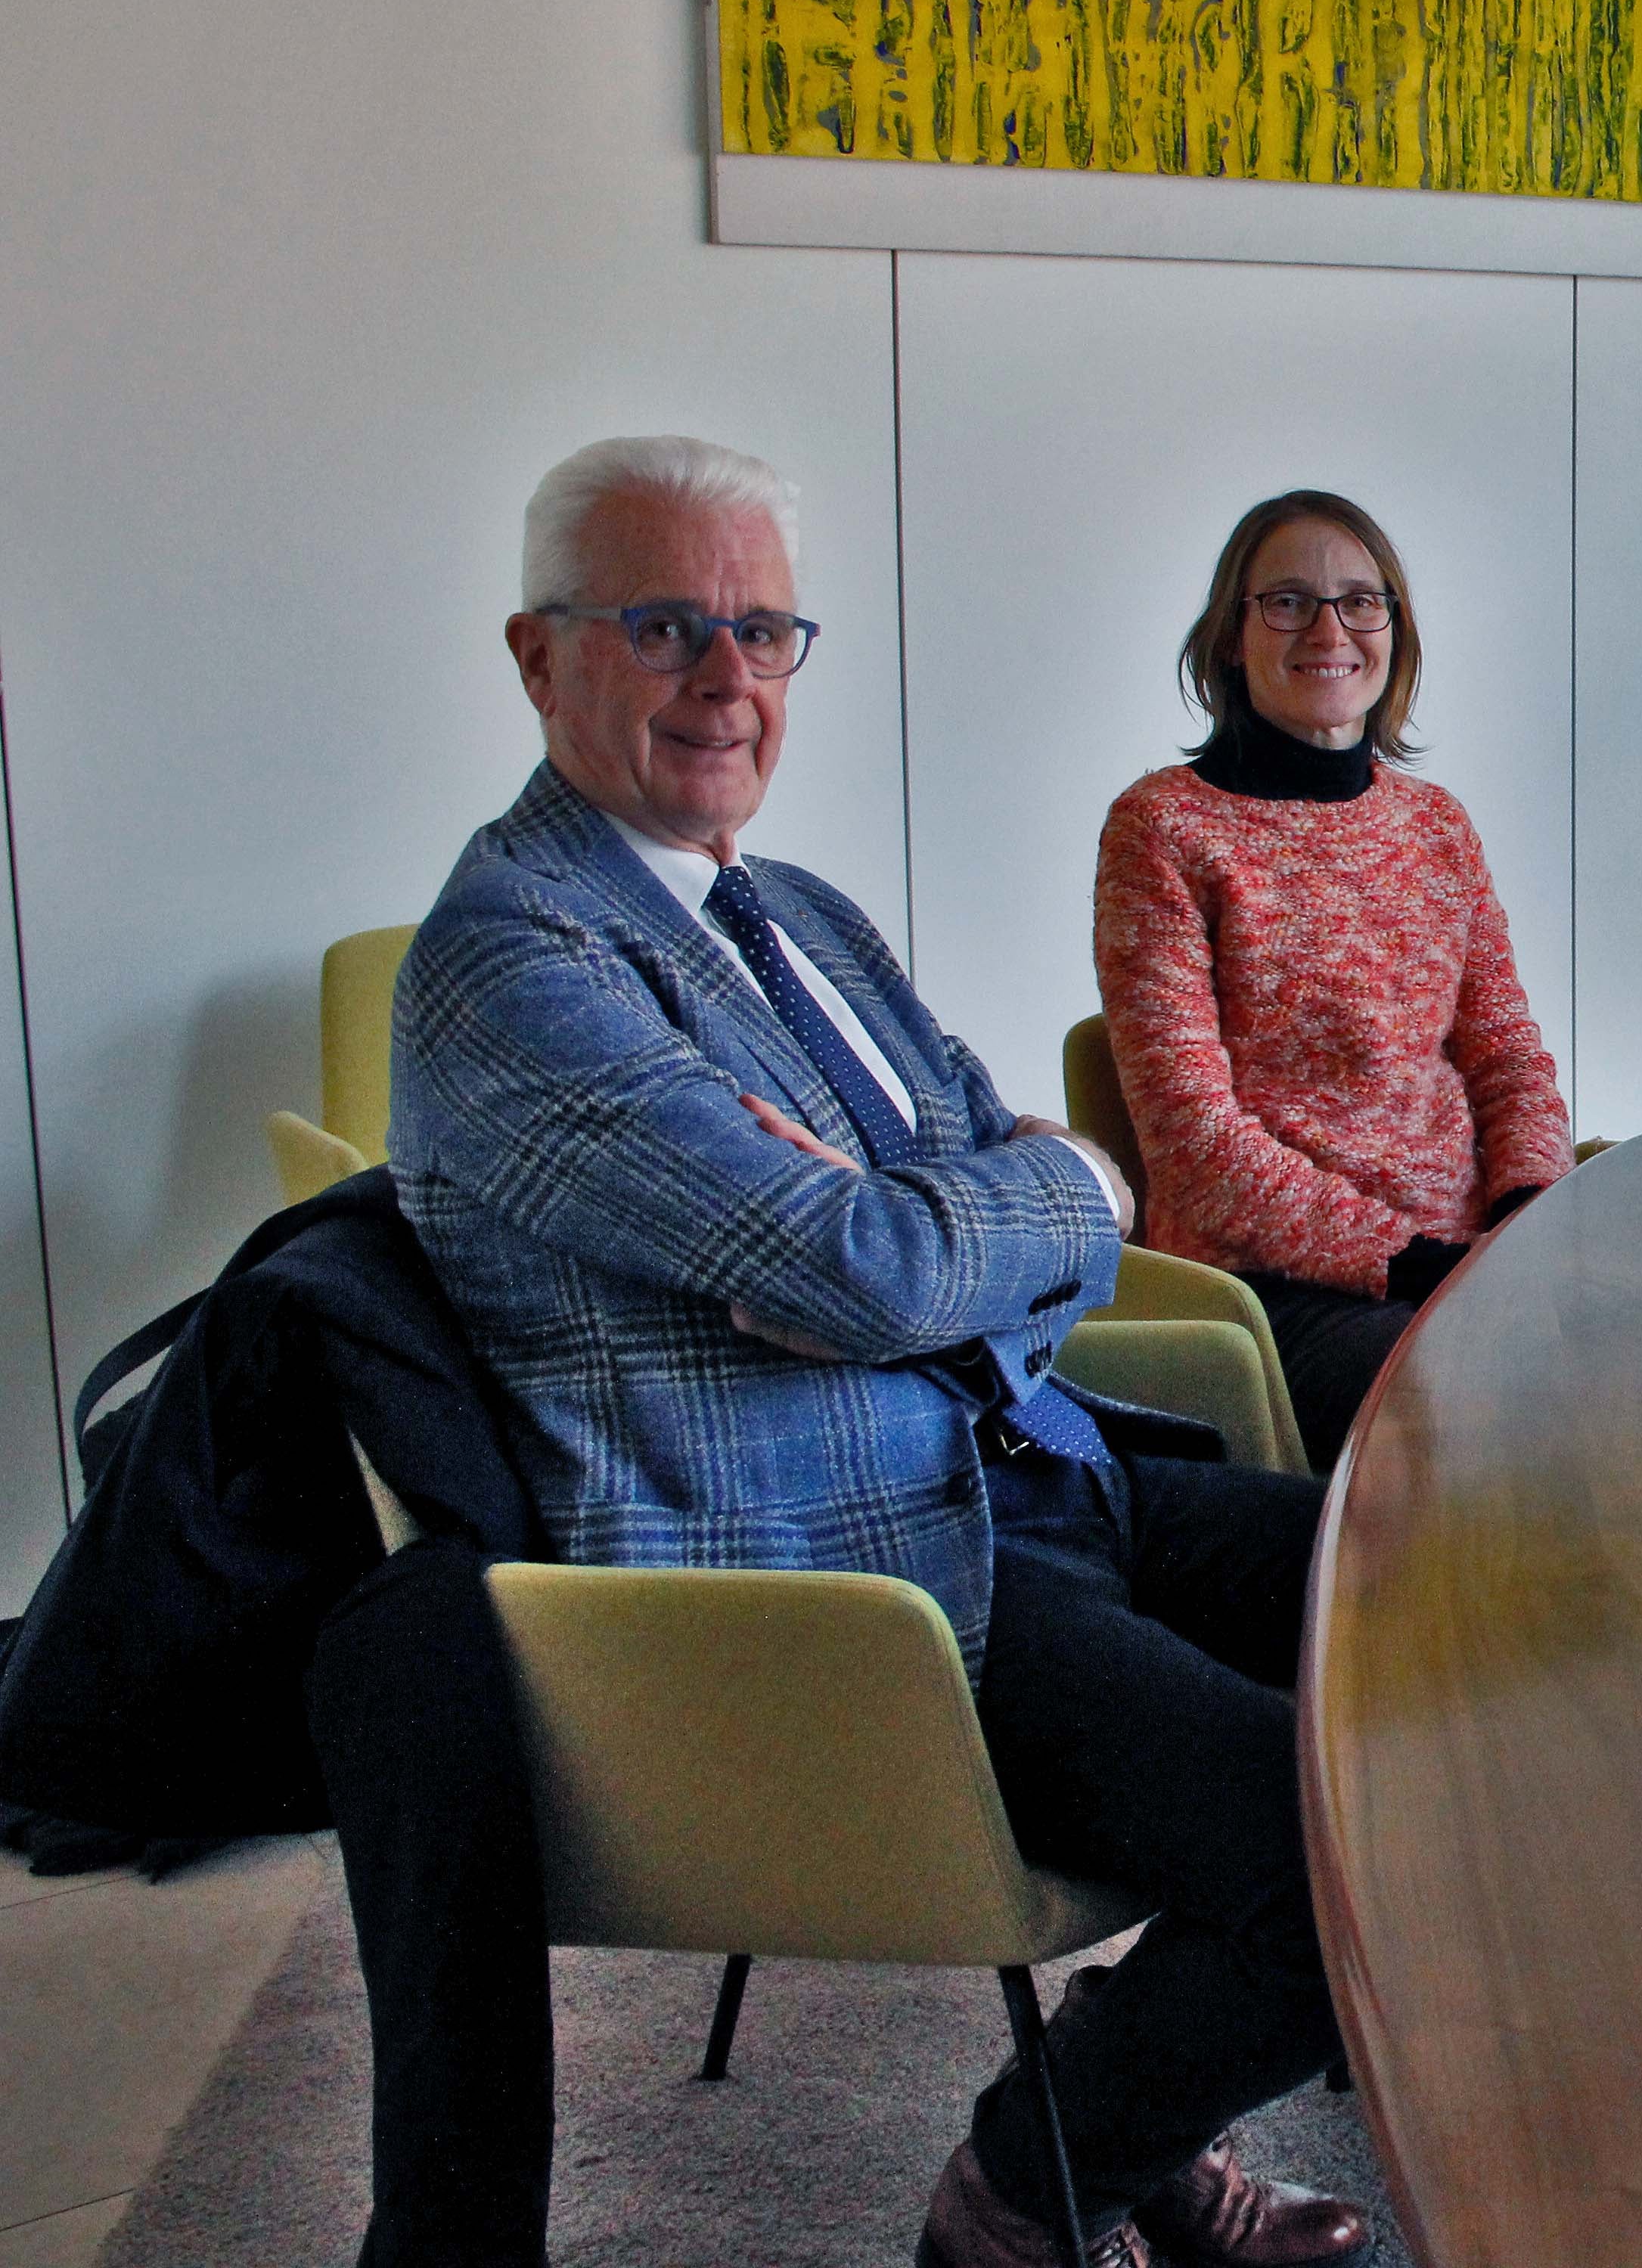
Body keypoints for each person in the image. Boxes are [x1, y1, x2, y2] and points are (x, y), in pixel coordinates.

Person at [393, 435, 1370, 2268]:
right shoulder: (512, 962)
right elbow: (870, 1256)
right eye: (666, 620)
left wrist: (1018, 1197)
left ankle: (1130, 2107)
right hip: (856, 1591)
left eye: (764, 627)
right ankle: (1023, 2185)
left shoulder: (799, 914)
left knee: (1433, 1614)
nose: (728, 677)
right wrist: (976, 1218)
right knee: (1335, 1847)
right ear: (537, 657)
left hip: (1025, 1471)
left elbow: (987, 1209)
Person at [1093, 490, 1570, 1467]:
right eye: (1289, 602)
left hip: (1474, 1261)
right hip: (1288, 1289)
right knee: (1492, 1411)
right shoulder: (1164, 831)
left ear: (1394, 628)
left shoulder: (1437, 825)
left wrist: (1527, 1217)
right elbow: (1197, 1147)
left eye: (1362, 601)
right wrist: (1415, 1262)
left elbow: (1509, 1060)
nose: (1330, 629)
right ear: (1231, 635)